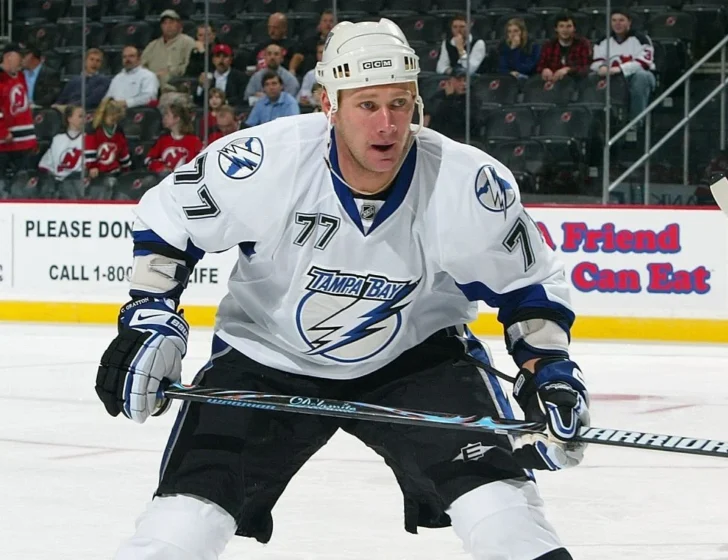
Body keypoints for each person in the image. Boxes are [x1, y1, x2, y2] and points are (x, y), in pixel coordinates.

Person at [95, 18, 589, 560]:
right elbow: (170, 223)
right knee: (178, 531)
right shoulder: (266, 160)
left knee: (507, 522)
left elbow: (526, 286)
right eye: (367, 104)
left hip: (416, 364)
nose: (387, 124)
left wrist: (550, 373)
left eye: (400, 104)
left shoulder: (466, 182)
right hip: (265, 359)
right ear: (328, 103)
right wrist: (150, 318)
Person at [590, 9, 655, 122]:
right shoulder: (603, 40)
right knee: (591, 77)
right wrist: (601, 67)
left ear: (629, 22)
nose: (617, 24)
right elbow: (596, 62)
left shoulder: (641, 39)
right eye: (614, 20)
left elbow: (644, 63)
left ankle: (636, 123)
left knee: (641, 77)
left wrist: (619, 69)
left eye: (621, 20)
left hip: (636, 76)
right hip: (612, 78)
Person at [0, 43, 37, 179]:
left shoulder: (20, 76)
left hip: (25, 141)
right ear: (8, 57)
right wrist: (2, 131)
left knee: (22, 181)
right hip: (5, 143)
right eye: (20, 56)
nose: (22, 60)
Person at [141, 9, 196, 87]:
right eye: (165, 23)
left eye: (171, 22)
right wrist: (152, 76)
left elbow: (190, 67)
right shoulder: (152, 45)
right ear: (161, 26)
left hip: (177, 85)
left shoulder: (188, 42)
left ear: (179, 25)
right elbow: (141, 66)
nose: (168, 26)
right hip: (152, 85)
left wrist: (170, 72)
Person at [144, 101, 202, 174]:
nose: (164, 118)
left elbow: (201, 165)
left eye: (167, 115)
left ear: (177, 118)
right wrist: (161, 168)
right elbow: (148, 159)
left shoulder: (194, 141)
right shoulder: (163, 139)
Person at [425, 66, 480, 139]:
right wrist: (450, 97)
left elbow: (459, 120)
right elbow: (438, 116)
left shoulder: (472, 99)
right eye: (459, 80)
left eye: (465, 80)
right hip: (441, 138)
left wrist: (450, 98)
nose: (464, 84)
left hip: (462, 138)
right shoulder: (439, 96)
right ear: (449, 81)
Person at [536, 12, 592, 82]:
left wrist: (568, 70)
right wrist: (545, 69)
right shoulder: (549, 45)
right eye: (561, 26)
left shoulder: (583, 44)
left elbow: (586, 68)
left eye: (569, 26)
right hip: (552, 81)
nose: (565, 30)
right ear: (556, 29)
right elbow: (540, 66)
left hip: (576, 82)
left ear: (574, 28)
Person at [85, 97, 131, 178]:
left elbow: (123, 151)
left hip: (114, 171)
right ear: (103, 115)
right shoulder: (93, 130)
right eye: (112, 119)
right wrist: (92, 166)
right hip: (97, 172)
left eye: (117, 119)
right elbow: (89, 149)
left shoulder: (118, 131)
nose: (114, 122)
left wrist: (126, 168)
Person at [38, 105, 85, 181]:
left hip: (76, 183)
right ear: (69, 119)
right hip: (57, 184)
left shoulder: (88, 139)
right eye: (80, 116)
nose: (84, 119)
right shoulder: (57, 139)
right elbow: (44, 165)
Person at [298, 41, 323, 108]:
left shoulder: (337, 73)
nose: (323, 55)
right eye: (320, 52)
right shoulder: (310, 75)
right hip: (313, 109)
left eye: (325, 52)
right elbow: (304, 97)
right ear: (317, 55)